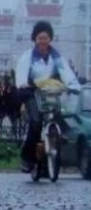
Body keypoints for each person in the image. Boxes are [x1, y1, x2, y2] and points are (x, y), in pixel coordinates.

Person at [15, 21, 81, 172]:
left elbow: (66, 72)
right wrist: (23, 84)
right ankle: (27, 157)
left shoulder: (56, 57)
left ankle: (56, 138)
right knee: (36, 122)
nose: (43, 41)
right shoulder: (28, 57)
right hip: (31, 92)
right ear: (35, 39)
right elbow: (21, 75)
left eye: (46, 38)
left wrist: (73, 86)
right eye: (40, 38)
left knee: (59, 113)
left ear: (50, 39)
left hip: (50, 91)